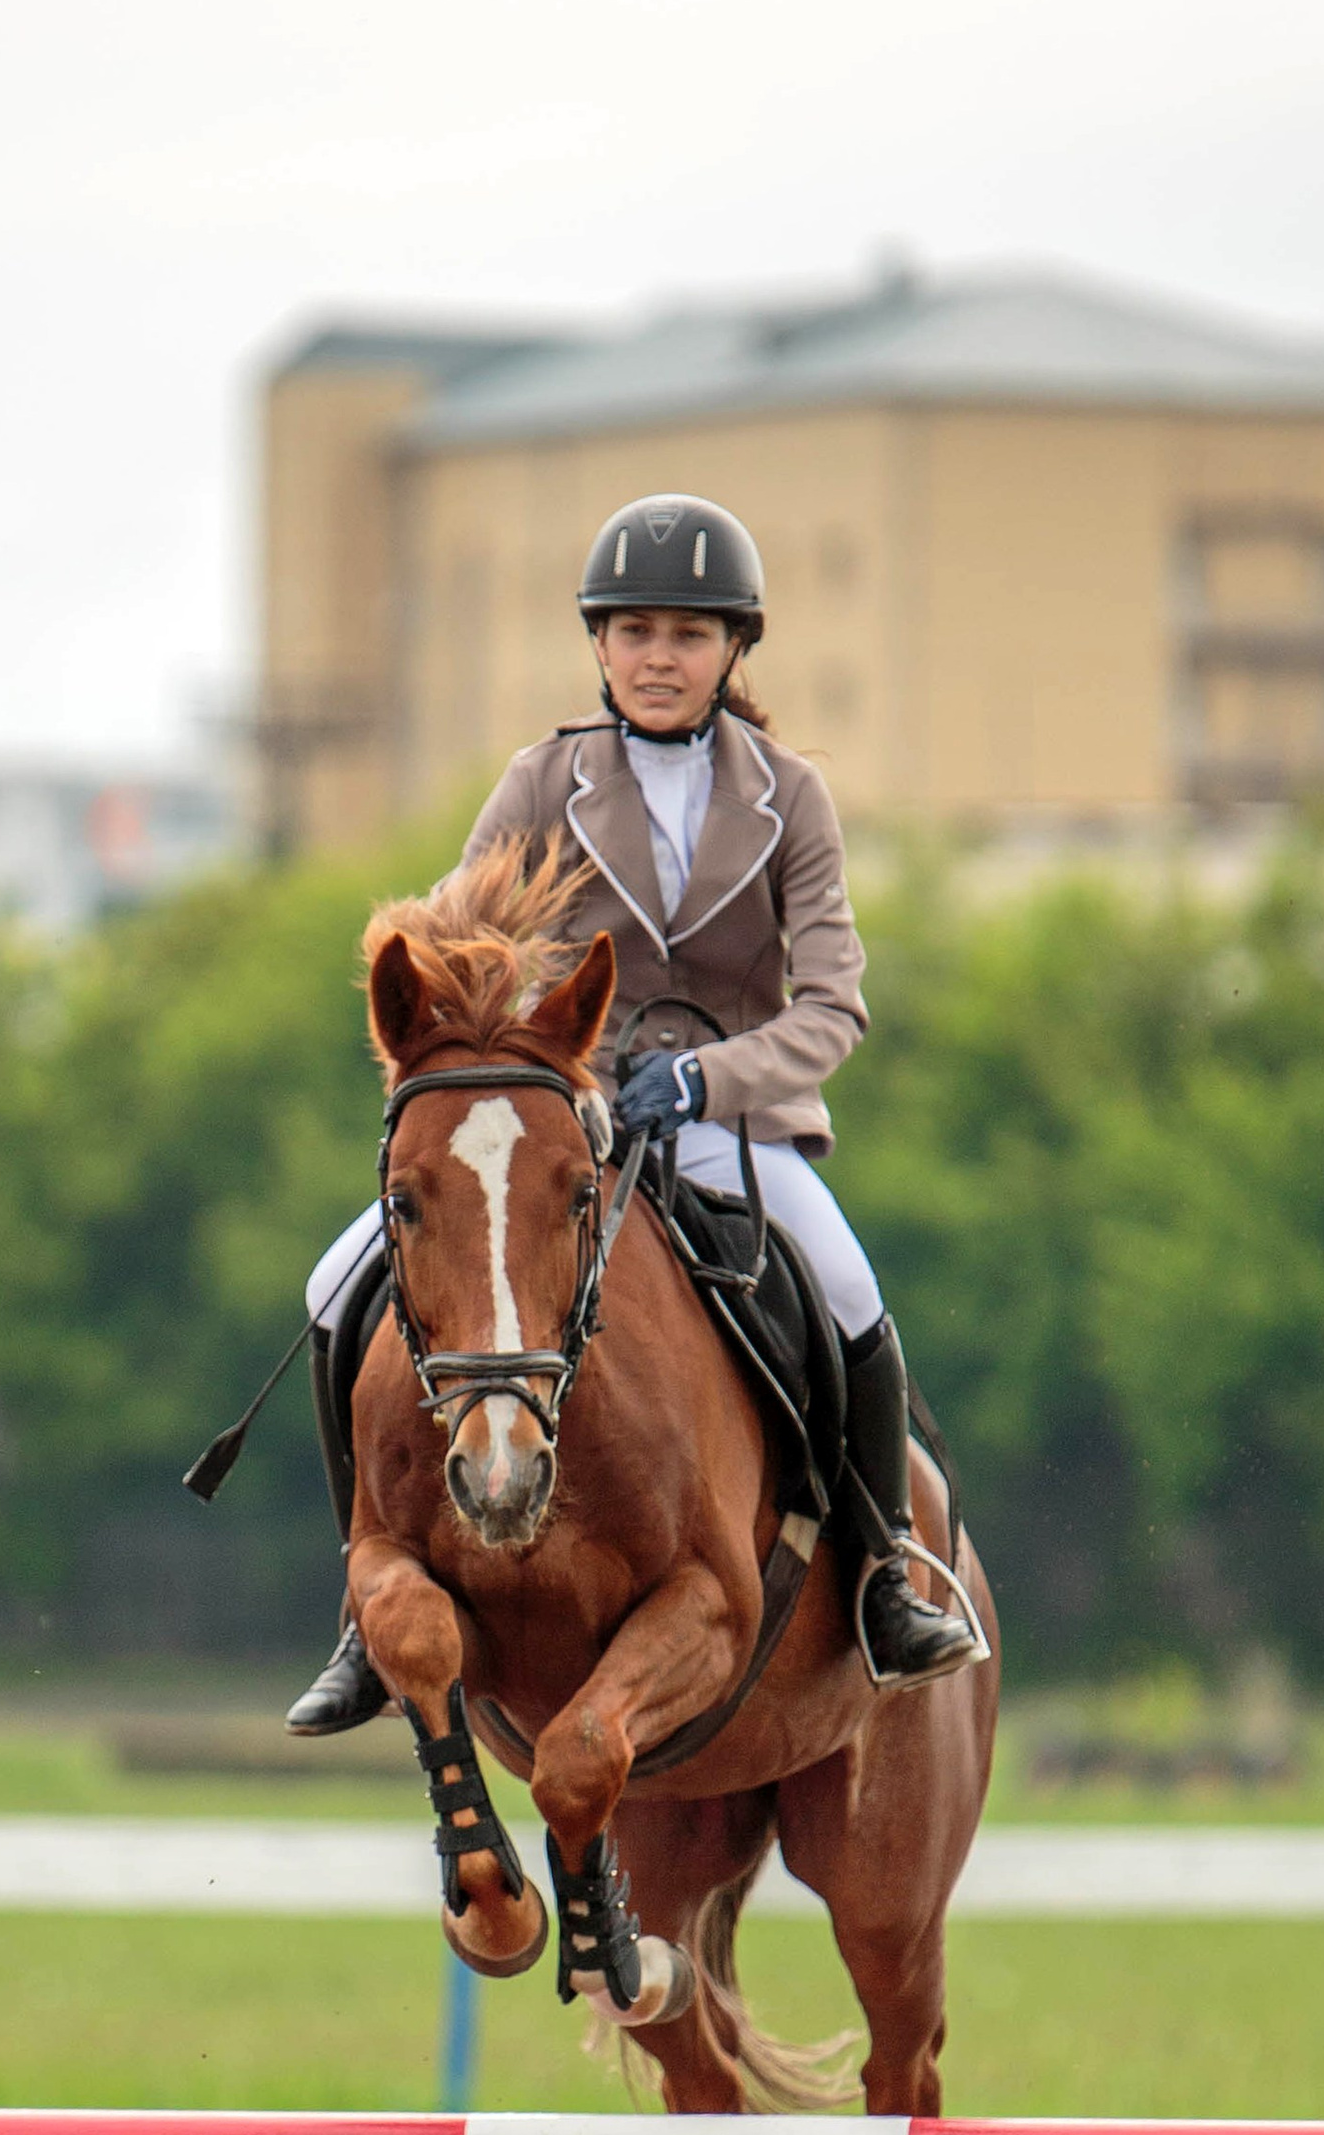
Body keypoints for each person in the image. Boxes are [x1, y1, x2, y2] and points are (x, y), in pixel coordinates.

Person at [287, 490, 987, 1733]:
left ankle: (885, 1575)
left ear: (733, 652)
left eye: (689, 634)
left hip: (725, 1121)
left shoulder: (790, 800)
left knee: (843, 1286)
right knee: (338, 1288)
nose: (660, 656)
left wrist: (708, 1081)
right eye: (636, 631)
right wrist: (508, 1050)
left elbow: (832, 1009)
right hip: (565, 1116)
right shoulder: (541, 778)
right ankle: (361, 1606)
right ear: (599, 647)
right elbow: (453, 943)